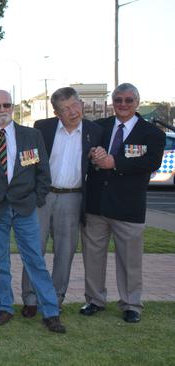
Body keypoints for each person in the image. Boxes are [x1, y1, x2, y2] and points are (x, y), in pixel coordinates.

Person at [0, 90, 66, 333]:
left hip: (25, 207)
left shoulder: (31, 135)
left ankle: (50, 311)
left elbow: (43, 172)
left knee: (35, 260)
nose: (2, 109)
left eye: (6, 105)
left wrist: (37, 198)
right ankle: (5, 307)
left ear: (12, 107)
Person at [81, 83, 165, 323]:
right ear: (112, 102)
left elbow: (151, 163)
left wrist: (114, 163)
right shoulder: (99, 127)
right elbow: (86, 152)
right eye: (118, 100)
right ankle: (94, 300)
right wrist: (92, 155)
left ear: (137, 102)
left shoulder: (152, 133)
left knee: (130, 260)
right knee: (93, 257)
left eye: (129, 100)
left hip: (128, 207)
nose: (123, 104)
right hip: (96, 205)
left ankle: (131, 304)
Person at [20, 87, 103, 317]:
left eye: (75, 105)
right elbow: (30, 160)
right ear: (56, 113)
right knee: (33, 248)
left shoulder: (95, 131)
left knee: (64, 252)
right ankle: (30, 299)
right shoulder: (42, 128)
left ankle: (55, 299)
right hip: (43, 196)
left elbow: (98, 163)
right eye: (65, 109)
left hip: (73, 198)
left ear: (82, 104)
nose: (72, 111)